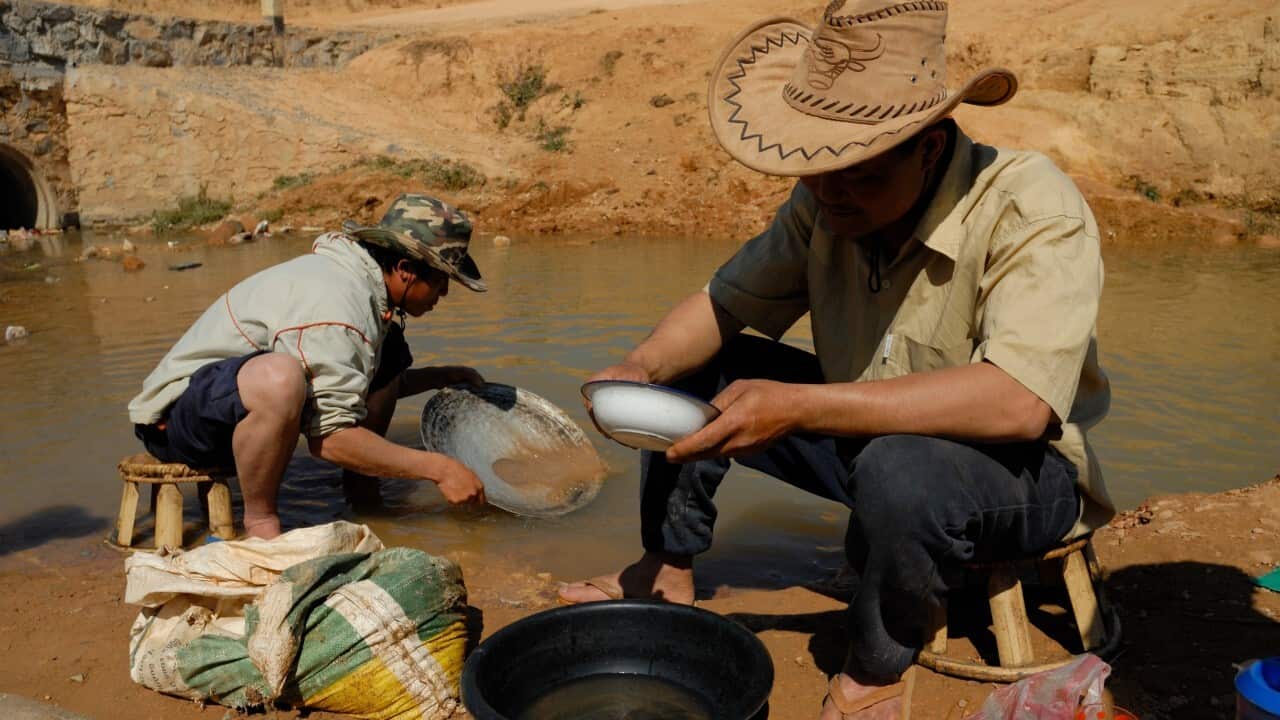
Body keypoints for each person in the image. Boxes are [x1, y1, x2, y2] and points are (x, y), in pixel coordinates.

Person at [559, 2, 1114, 718]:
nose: (831, 191)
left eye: (861, 175)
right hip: (869, 434)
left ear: (932, 146)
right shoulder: (823, 200)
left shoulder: (1032, 205)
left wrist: (799, 406)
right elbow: (725, 304)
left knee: (899, 467)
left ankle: (879, 665)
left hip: (1021, 473)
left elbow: (1017, 403)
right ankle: (665, 567)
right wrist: (640, 367)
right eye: (821, 171)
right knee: (693, 374)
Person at [128, 194, 490, 540]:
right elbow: (329, 440)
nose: (443, 295)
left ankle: (361, 486)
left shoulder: (366, 294)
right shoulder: (338, 306)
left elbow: (353, 378)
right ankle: (262, 523)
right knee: (279, 379)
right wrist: (439, 469)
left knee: (390, 354)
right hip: (176, 426)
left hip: (227, 407)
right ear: (406, 270)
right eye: (441, 282)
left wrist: (442, 376)